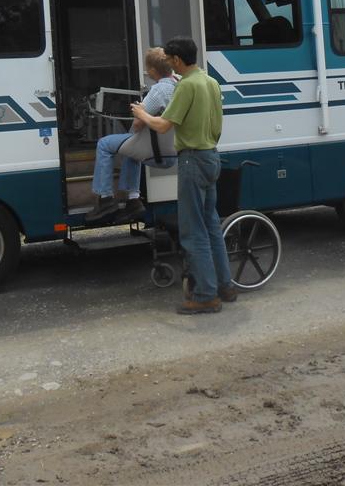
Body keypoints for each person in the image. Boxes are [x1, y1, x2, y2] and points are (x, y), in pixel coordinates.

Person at [131, 36, 235, 315]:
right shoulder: (209, 82)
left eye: (170, 59)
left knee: (193, 231)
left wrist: (142, 111)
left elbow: (163, 125)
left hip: (192, 160)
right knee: (212, 225)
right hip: (212, 155)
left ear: (177, 60)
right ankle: (225, 285)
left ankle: (205, 296)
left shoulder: (187, 86)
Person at [86, 48, 177, 224]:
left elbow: (137, 124)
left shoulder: (159, 90)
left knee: (104, 144)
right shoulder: (180, 85)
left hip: (155, 152)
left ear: (151, 71)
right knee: (132, 148)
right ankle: (133, 200)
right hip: (174, 151)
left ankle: (105, 199)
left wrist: (138, 114)